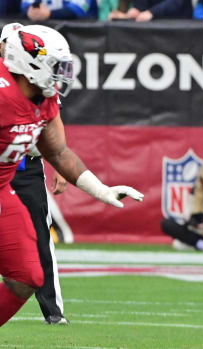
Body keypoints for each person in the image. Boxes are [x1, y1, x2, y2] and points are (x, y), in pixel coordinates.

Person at [0, 24, 143, 328]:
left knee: (29, 275)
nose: (61, 74)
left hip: (4, 189)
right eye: (54, 65)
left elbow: (58, 153)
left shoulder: (43, 96)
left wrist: (100, 190)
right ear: (29, 64)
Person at [1, 22, 69, 325]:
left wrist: (62, 165)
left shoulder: (39, 87)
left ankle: (53, 312)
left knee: (34, 257)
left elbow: (55, 134)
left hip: (23, 166)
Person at [21, 0, 98, 21]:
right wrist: (32, 11)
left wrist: (49, 14)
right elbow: (25, 5)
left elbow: (76, 10)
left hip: (80, 36)